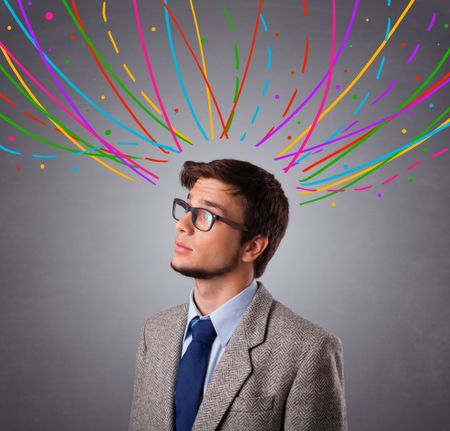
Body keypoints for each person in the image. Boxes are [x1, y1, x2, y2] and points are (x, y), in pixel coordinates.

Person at [128, 159, 347, 431]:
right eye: (187, 208)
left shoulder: (308, 350)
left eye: (205, 215)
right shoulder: (155, 332)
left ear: (252, 247)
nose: (182, 225)